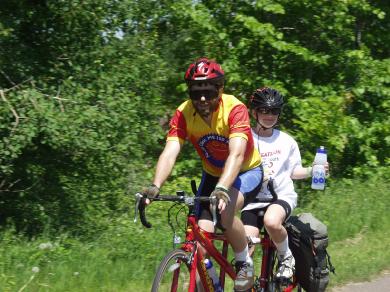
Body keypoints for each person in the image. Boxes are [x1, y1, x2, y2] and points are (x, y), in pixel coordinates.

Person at [141, 57, 263, 291]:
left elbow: (236, 155)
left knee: (225, 215)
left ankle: (243, 262)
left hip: (247, 171)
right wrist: (155, 185)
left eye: (208, 91)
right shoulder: (184, 113)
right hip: (212, 175)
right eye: (196, 94)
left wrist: (223, 188)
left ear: (220, 89)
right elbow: (170, 151)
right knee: (200, 245)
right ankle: (212, 285)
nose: (203, 99)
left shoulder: (234, 108)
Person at [241, 87, 329, 281]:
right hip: (252, 200)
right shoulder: (244, 137)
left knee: (271, 221)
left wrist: (311, 170)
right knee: (245, 247)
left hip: (280, 197)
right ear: (254, 112)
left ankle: (285, 257)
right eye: (264, 110)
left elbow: (293, 172)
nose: (269, 115)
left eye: (274, 111)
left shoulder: (286, 141)